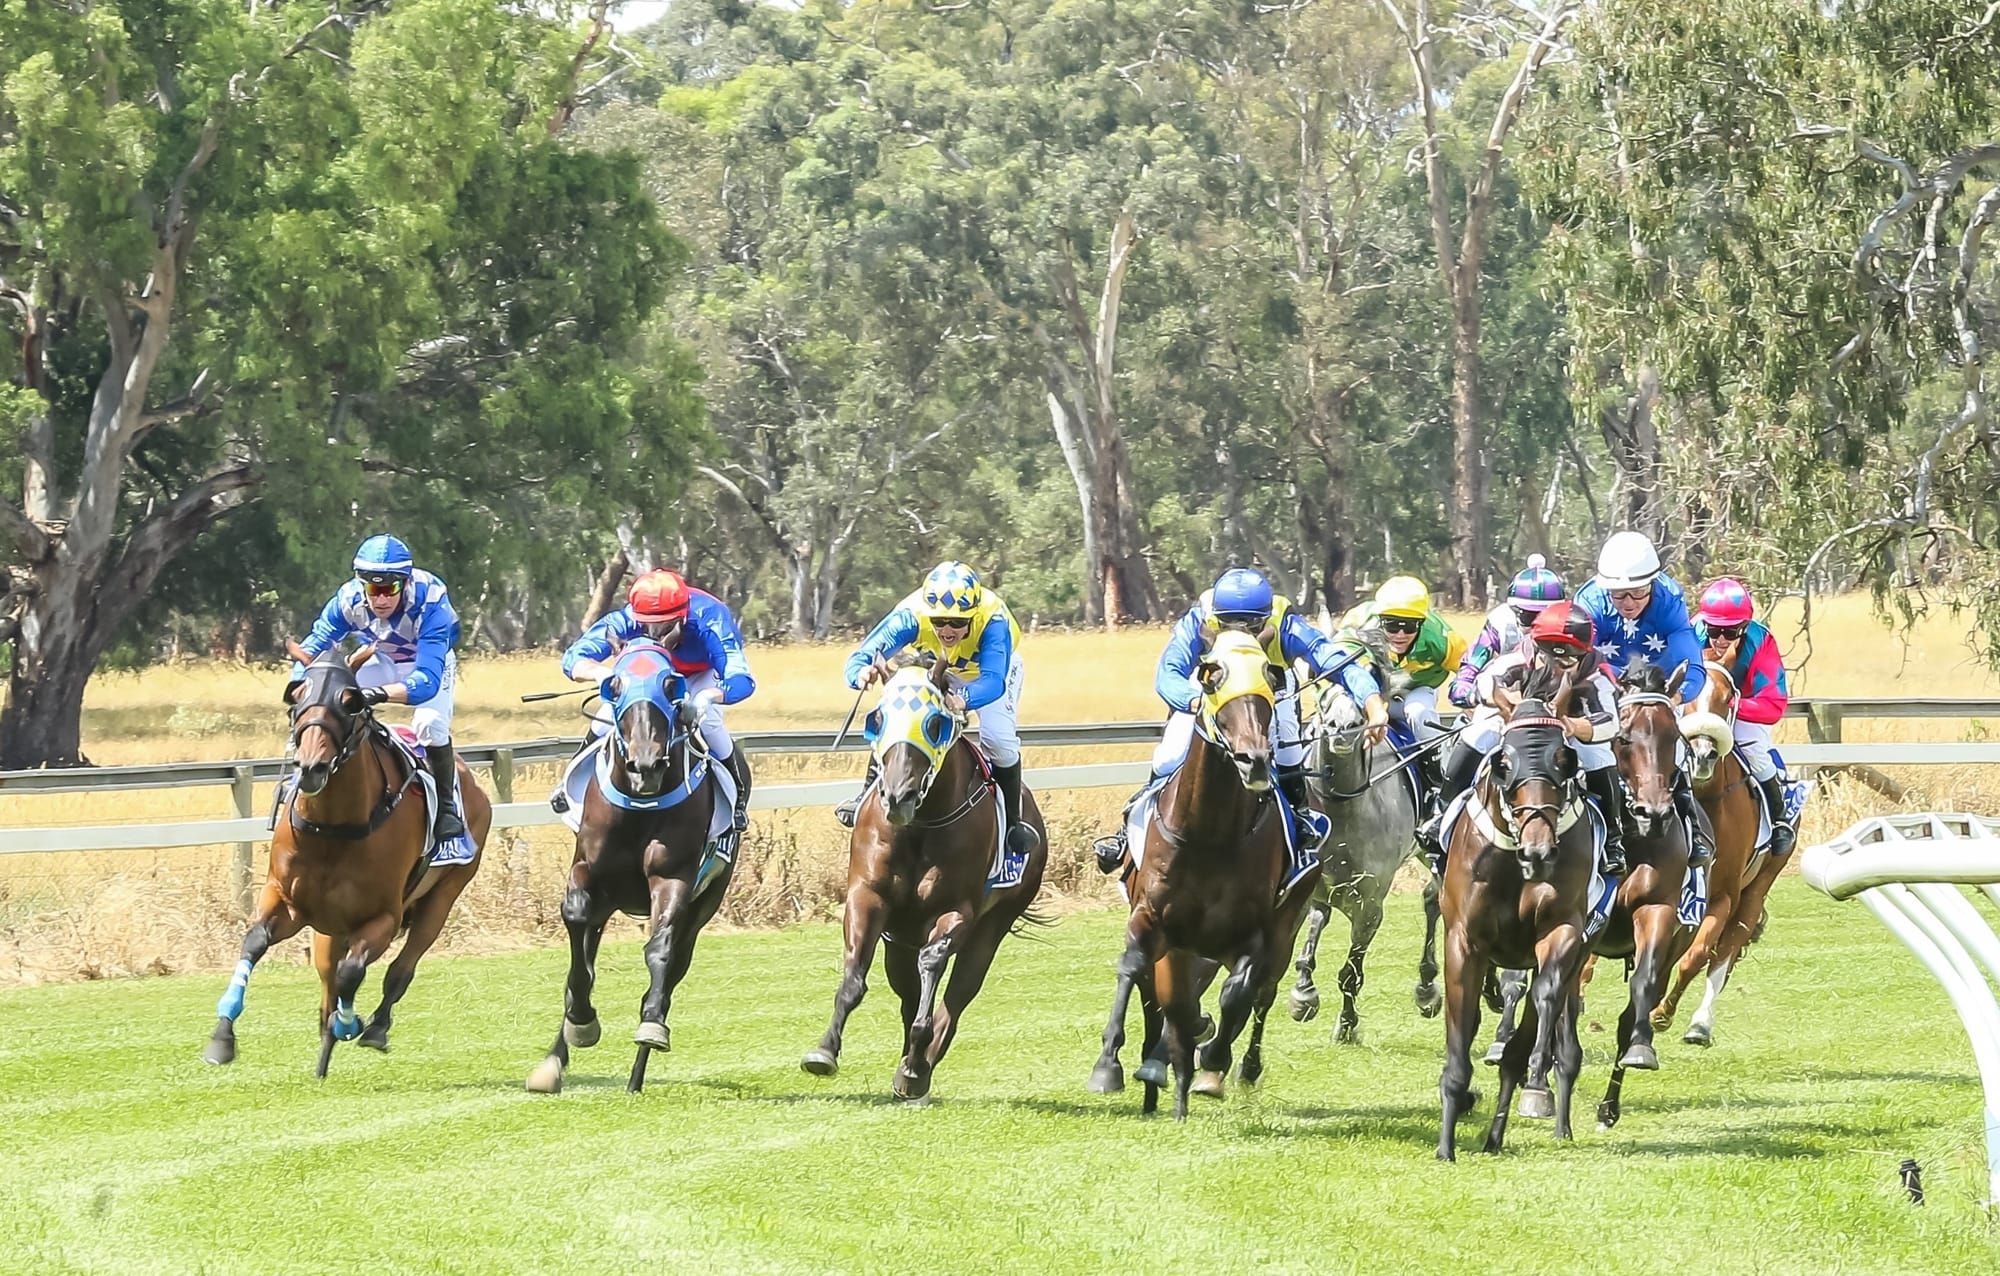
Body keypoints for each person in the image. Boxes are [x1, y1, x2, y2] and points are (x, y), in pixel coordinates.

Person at [1091, 567, 1386, 899]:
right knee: (1171, 752)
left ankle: (1300, 821)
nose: (1241, 632)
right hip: (1213, 693)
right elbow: (1168, 672)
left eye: (1251, 626)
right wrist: (1193, 700)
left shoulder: (1283, 620)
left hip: (1268, 691)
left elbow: (1332, 659)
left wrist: (1372, 703)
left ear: (1264, 620)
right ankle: (1127, 828)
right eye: (1230, 623)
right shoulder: (1200, 617)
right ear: (1216, 614)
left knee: (1288, 751)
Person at [836, 562, 1036, 862]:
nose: (946, 629)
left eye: (957, 623)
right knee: (900, 716)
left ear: (973, 615)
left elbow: (993, 681)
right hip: (935, 665)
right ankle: (864, 796)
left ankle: (1013, 826)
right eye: (939, 621)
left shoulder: (994, 622)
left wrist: (963, 699)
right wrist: (859, 673)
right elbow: (864, 653)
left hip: (986, 674)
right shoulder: (911, 615)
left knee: (999, 740)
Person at [1430, 601, 1628, 877]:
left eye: (1567, 661)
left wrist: (1574, 725)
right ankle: (1440, 815)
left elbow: (1610, 721)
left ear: (1584, 653)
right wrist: (1500, 699)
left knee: (1598, 756)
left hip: (1565, 730)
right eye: (1548, 657)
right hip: (1515, 727)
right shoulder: (1516, 659)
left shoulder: (1596, 674)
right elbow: (1485, 682)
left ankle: (1613, 840)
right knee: (1477, 733)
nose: (1557, 667)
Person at [293, 534, 465, 843]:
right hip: (382, 660)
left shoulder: (431, 600)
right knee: (318, 702)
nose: (380, 599)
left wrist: (378, 693)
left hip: (429, 663)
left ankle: (446, 810)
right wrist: (300, 685)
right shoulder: (347, 600)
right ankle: (300, 775)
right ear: (362, 585)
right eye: (373, 589)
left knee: (430, 725)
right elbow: (312, 647)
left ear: (405, 583)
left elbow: (426, 682)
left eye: (390, 589)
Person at [556, 568, 756, 831]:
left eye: (666, 625)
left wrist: (708, 696)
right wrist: (599, 673)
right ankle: (566, 783)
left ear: (684, 616)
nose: (656, 632)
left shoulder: (711, 619)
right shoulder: (626, 618)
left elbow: (741, 679)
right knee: (606, 715)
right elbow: (573, 658)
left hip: (698, 674)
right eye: (647, 625)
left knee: (708, 723)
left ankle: (737, 795)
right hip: (650, 675)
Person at [1573, 530, 1714, 868]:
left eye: (1637, 592)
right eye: (1619, 594)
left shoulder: (1668, 600)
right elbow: (1580, 659)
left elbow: (1691, 663)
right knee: (1598, 741)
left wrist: (1676, 696)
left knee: (1669, 741)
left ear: (1652, 583)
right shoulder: (1589, 603)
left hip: (1655, 679)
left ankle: (1691, 824)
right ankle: (1607, 833)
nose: (1628, 602)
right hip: (1606, 677)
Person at [1342, 575, 1468, 814]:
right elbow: (1336, 658)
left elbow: (1469, 669)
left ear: (1422, 622)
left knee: (1418, 713)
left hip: (1415, 690)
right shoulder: (1359, 623)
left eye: (1409, 626)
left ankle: (1437, 787)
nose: (1400, 634)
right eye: (1391, 625)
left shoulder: (1441, 637)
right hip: (1371, 688)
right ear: (1379, 619)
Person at [1694, 578, 1797, 857]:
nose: (1720, 640)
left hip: (1742, 712)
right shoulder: (1691, 634)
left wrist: (1733, 704)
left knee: (1753, 748)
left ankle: (1779, 820)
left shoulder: (1761, 642)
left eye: (1731, 632)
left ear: (1745, 626)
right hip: (1695, 710)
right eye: (1714, 630)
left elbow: (1773, 704)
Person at [1448, 555, 1567, 711]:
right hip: (1504, 706)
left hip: (1557, 706)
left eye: (1546, 616)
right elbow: (1471, 666)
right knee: (1480, 735)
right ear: (1514, 611)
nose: (1538, 625)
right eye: (1529, 616)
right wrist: (1470, 693)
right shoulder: (1500, 621)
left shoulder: (1574, 625)